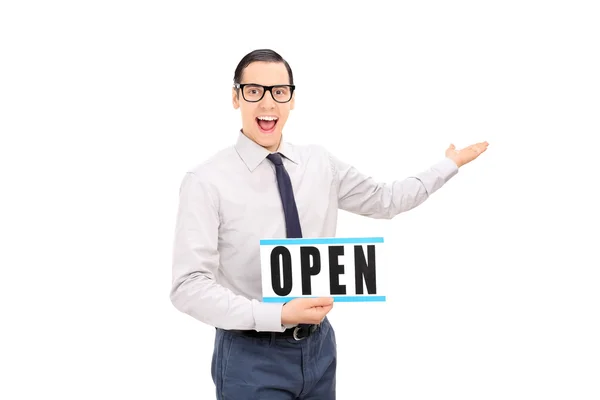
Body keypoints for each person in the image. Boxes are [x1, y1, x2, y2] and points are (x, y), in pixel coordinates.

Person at [170, 48, 488, 399]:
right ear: (235, 97)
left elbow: (387, 200)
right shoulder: (205, 180)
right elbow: (188, 286)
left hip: (319, 349)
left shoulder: (320, 164)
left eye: (279, 92)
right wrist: (275, 314)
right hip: (250, 357)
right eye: (253, 90)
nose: (267, 103)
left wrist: (448, 165)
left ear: (291, 99)